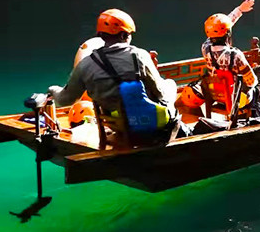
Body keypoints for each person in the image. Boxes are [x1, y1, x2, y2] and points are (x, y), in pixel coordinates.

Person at [49, 8, 179, 137]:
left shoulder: (85, 65)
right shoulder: (139, 55)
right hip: (149, 121)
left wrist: (53, 90)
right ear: (123, 35)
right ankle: (177, 132)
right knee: (170, 84)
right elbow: (160, 93)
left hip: (116, 125)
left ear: (100, 35)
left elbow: (65, 100)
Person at [201, 0, 260, 121]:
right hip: (236, 98)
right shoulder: (235, 55)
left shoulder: (205, 48)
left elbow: (217, 32)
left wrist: (239, 10)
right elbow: (251, 81)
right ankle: (259, 118)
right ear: (228, 33)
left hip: (217, 96)